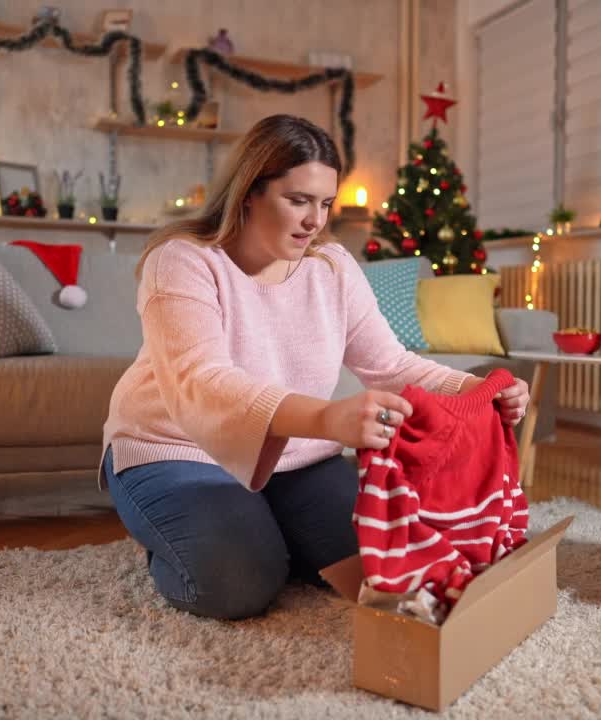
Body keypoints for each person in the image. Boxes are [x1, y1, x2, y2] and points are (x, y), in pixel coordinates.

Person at [100, 114, 530, 620]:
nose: (315, 220)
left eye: (325, 203)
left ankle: (263, 524)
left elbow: (389, 364)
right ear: (248, 192)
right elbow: (203, 383)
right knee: (239, 587)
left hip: (297, 459)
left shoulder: (332, 267)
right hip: (174, 449)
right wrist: (328, 419)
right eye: (298, 200)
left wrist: (474, 387)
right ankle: (179, 538)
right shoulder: (183, 260)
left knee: (387, 563)